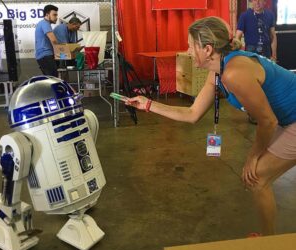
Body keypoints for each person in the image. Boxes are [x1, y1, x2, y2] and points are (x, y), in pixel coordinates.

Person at [126, 16, 296, 236]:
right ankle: (268, 240)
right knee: (258, 178)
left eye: (190, 45)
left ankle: (268, 245)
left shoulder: (234, 72)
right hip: (288, 118)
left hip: (290, 120)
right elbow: (192, 113)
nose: (187, 51)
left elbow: (267, 121)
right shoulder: (218, 70)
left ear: (207, 49)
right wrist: (148, 104)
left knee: (257, 177)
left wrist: (253, 155)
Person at [35, 4, 59, 77]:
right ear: (47, 14)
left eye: (56, 15)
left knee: (50, 79)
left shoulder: (42, 23)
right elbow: (54, 40)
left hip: (43, 56)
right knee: (53, 80)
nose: (56, 17)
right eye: (54, 15)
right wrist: (59, 52)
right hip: (46, 56)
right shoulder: (45, 23)